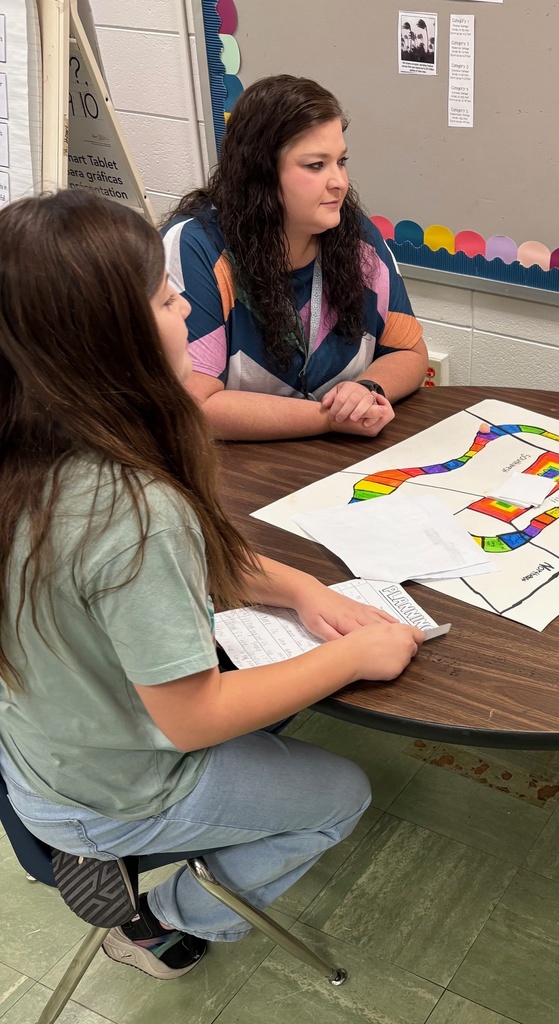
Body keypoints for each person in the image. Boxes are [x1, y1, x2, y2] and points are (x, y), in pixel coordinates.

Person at [0, 190, 425, 980]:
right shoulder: (132, 508)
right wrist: (355, 655)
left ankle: (109, 845)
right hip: (116, 783)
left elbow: (173, 559)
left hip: (42, 748)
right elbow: (193, 718)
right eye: (164, 297)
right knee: (341, 793)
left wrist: (303, 591)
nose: (186, 302)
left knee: (268, 680)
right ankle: (161, 923)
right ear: (108, 340)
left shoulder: (34, 446)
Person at [163, 75, 429, 441]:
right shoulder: (195, 247)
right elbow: (196, 406)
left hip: (330, 462)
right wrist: (327, 419)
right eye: (316, 165)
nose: (339, 182)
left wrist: (368, 388)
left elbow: (411, 352)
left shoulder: (359, 238)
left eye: (341, 161)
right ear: (261, 173)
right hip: (233, 474)